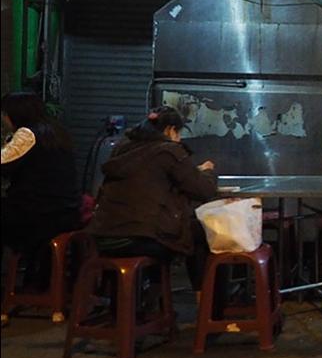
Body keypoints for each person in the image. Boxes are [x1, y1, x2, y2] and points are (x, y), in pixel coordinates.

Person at [86, 106, 218, 293]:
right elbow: (204, 190)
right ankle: (208, 307)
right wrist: (209, 171)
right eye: (178, 133)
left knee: (160, 228)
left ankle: (144, 302)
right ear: (170, 130)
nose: (179, 138)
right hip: (139, 238)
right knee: (205, 232)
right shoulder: (169, 151)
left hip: (103, 236)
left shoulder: (123, 148)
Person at [1, 92, 85, 317]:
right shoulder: (58, 133)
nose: (4, 119)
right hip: (66, 212)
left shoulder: (27, 134)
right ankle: (35, 284)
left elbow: (4, 163)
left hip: (37, 214)